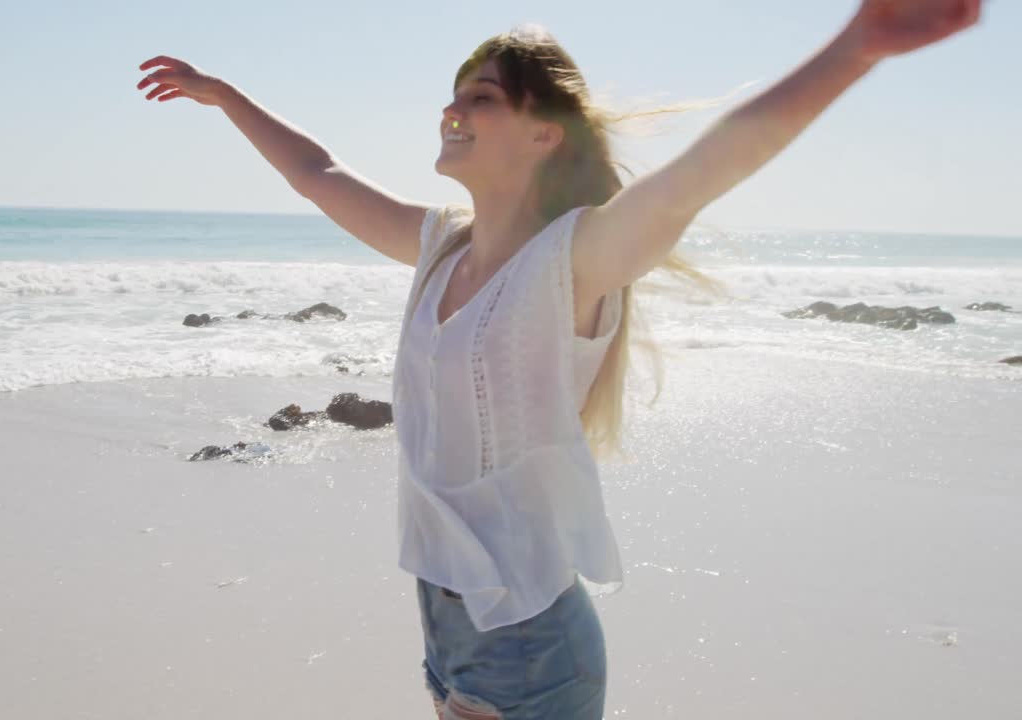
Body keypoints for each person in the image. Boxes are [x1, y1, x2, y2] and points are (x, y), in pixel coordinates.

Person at [135, 1, 981, 717]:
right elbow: (316, 171)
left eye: (481, 96)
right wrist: (224, 96)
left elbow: (703, 173)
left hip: (529, 647)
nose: (451, 110)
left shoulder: (572, 263)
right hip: (445, 618)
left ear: (544, 133)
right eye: (452, 95)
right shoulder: (438, 246)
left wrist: (859, 45)